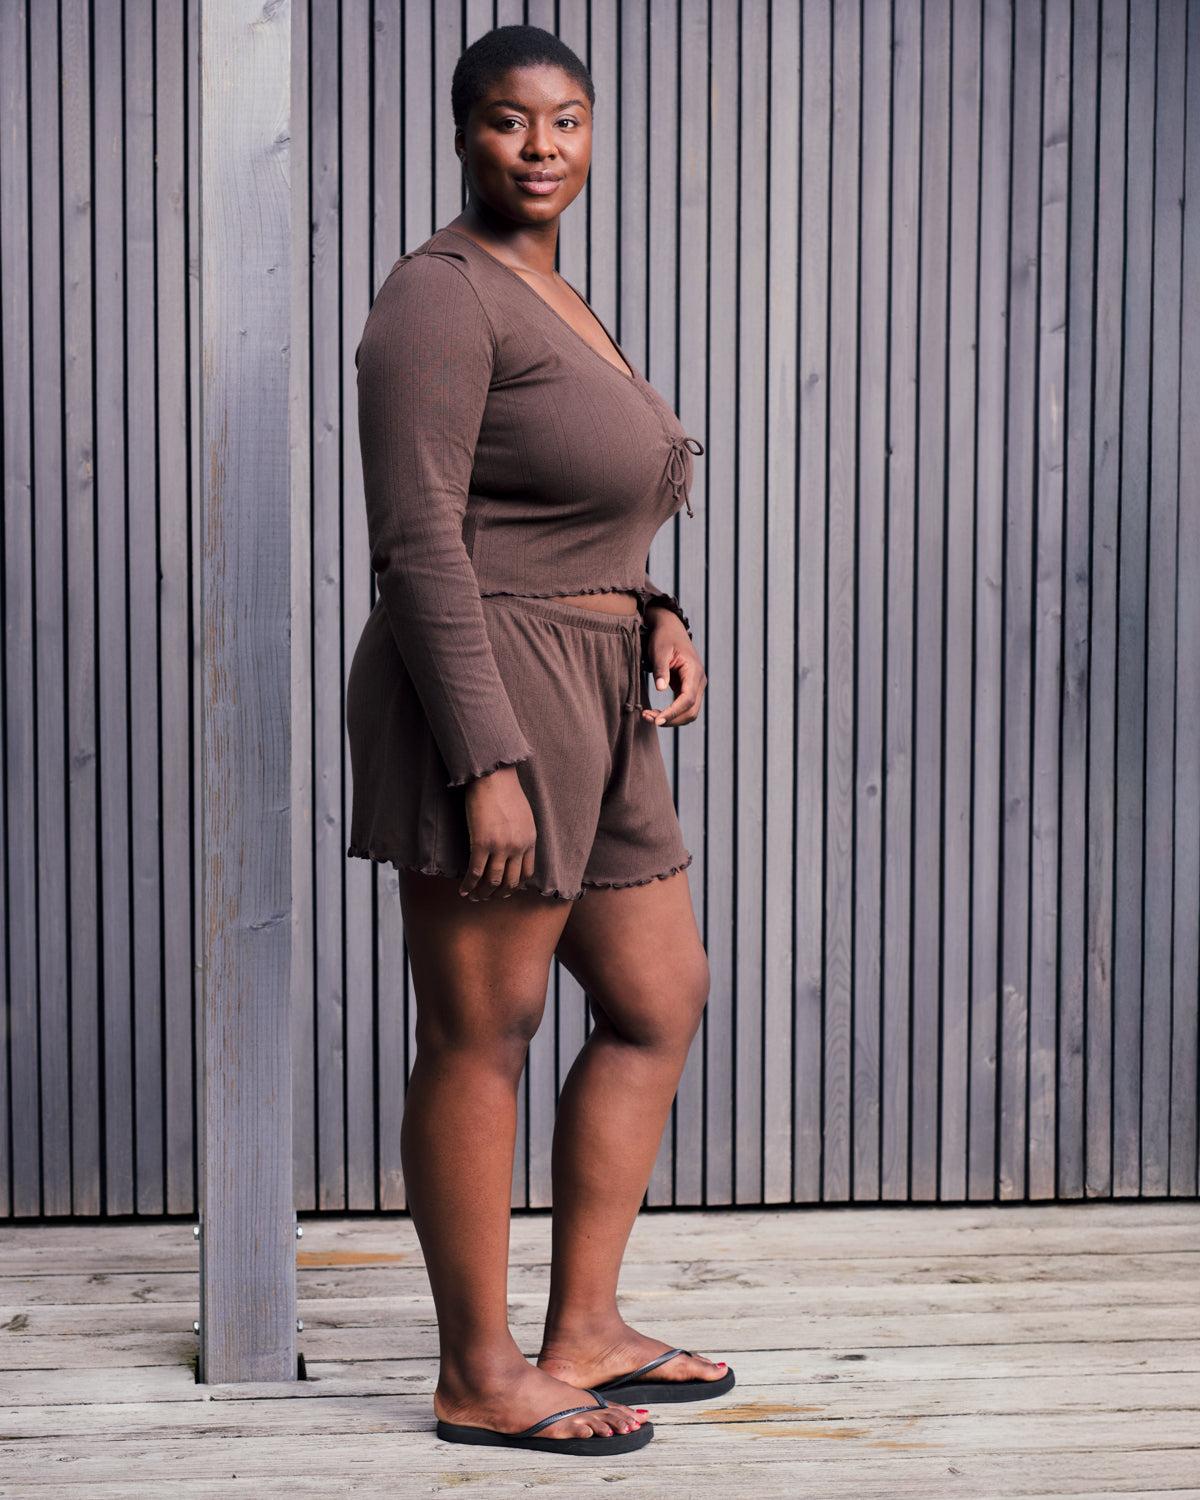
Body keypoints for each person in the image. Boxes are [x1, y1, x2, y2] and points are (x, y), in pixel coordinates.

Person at [347, 24, 733, 1456]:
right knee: (483, 1030)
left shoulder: (552, 293)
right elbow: (421, 543)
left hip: (599, 682)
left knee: (658, 993)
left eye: (566, 121)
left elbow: (578, 500)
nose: (542, 147)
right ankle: (478, 1370)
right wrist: (483, 755)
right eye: (511, 123)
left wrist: (655, 605)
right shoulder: (438, 299)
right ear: (464, 134)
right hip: (493, 682)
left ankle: (585, 1329)